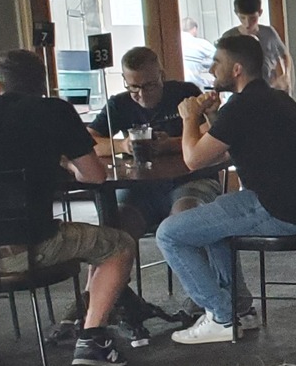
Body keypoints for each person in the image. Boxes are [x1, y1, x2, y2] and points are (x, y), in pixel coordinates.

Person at [0, 48, 138, 366]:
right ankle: (92, 337)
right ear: (43, 85)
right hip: (25, 248)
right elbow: (94, 176)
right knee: (120, 245)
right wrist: (63, 160)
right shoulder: (55, 111)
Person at [159, 31, 296, 346]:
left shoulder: (244, 106)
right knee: (213, 223)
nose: (211, 71)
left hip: (274, 208)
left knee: (170, 234)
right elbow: (225, 148)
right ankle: (241, 310)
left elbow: (194, 159)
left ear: (236, 69)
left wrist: (189, 118)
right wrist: (210, 115)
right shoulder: (274, 98)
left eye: (216, 63)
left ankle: (221, 315)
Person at [86, 46, 220, 234]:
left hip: (190, 179)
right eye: (134, 87)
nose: (142, 93)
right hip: (140, 186)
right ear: (125, 81)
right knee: (118, 225)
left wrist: (170, 144)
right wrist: (123, 145)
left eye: (149, 85)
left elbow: (212, 132)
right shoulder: (120, 104)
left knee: (184, 222)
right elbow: (89, 140)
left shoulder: (185, 93)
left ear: (161, 76)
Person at [228, 0, 291, 92]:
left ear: (260, 13)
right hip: (241, 91)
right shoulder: (229, 37)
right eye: (242, 18)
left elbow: (284, 55)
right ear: (236, 14)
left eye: (252, 18)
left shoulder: (269, 32)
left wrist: (286, 76)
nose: (247, 23)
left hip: (268, 87)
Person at [180, 19, 216, 90]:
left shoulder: (173, 44)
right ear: (194, 29)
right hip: (195, 87)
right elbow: (219, 57)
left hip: (178, 86)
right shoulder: (201, 44)